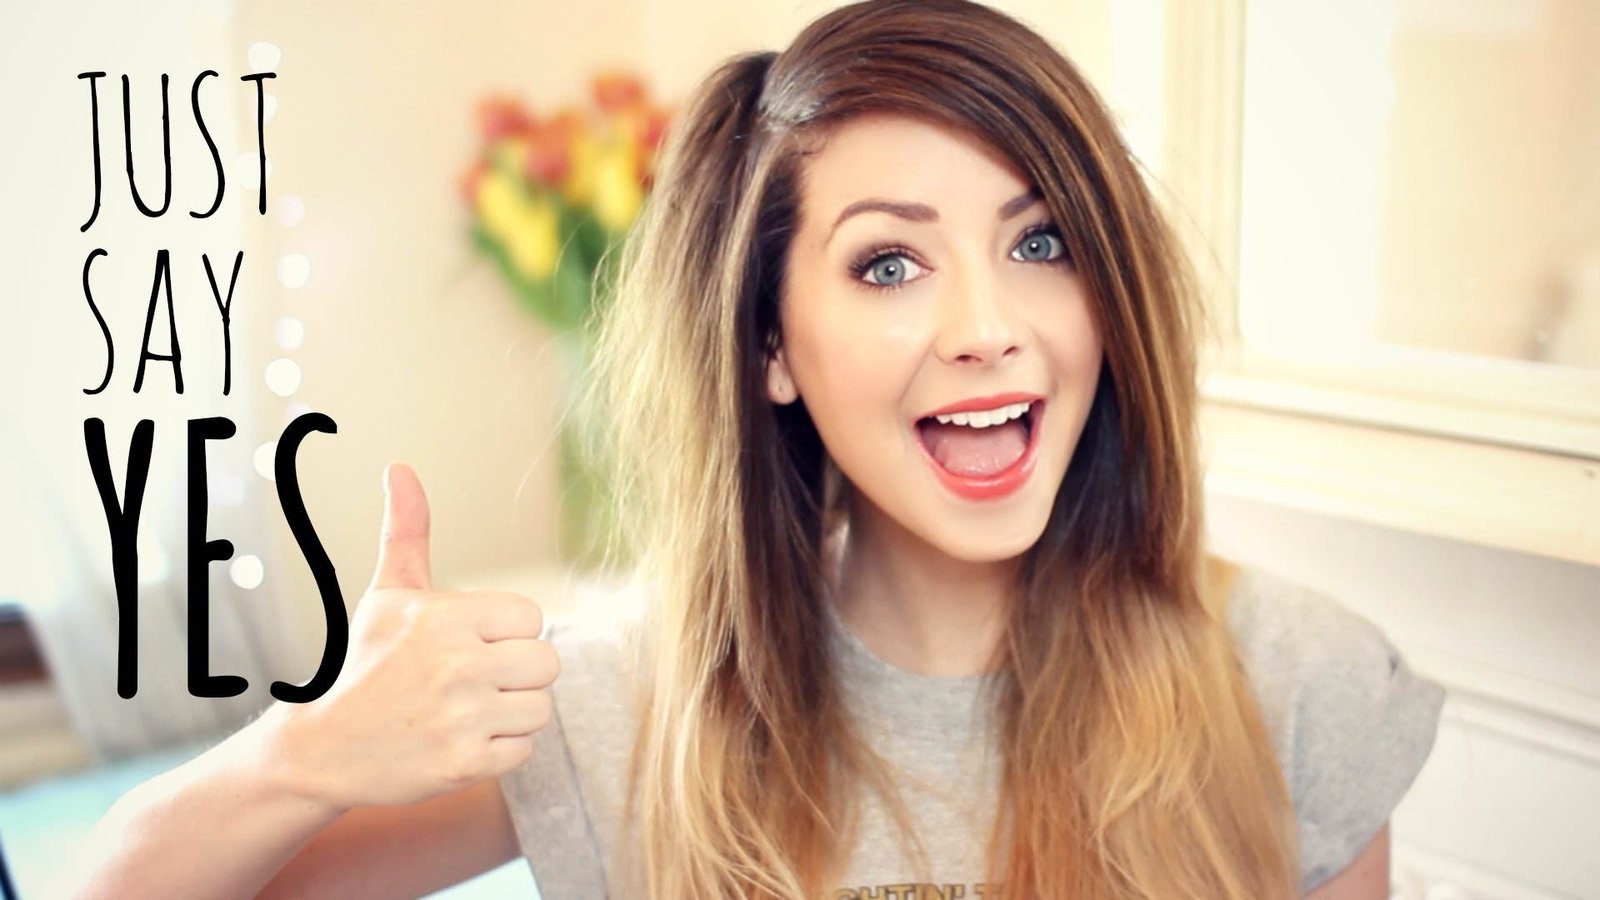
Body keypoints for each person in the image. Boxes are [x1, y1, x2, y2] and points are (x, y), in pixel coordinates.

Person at [65, 1, 1446, 897]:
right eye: (890, 263)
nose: (987, 328)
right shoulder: (621, 710)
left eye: (1041, 244)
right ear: (772, 345)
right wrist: (307, 752)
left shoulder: (1297, 683)